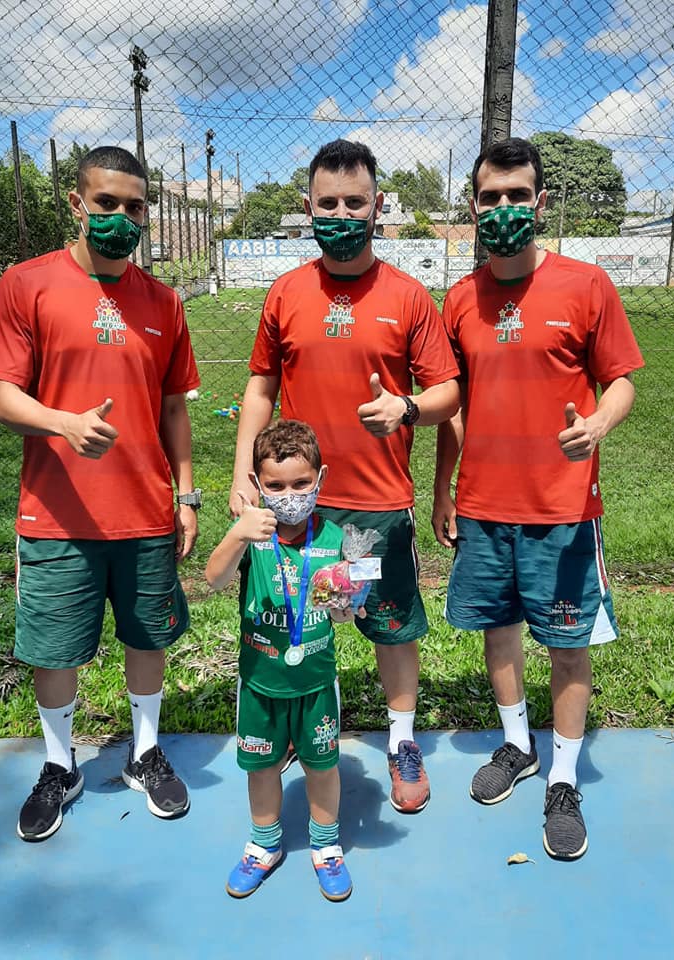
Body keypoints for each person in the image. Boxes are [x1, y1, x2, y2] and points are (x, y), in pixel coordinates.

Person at [0, 145, 201, 841]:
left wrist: (186, 496)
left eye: (134, 207)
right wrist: (62, 423)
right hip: (56, 516)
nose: (121, 217)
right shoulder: (27, 284)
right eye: (106, 203)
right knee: (54, 649)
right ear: (77, 203)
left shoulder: (164, 302)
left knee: (147, 635)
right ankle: (59, 762)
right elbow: (3, 397)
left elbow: (173, 408)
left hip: (144, 514)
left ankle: (145, 750)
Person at [229, 140, 460, 814]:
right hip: (297, 514)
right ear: (306, 209)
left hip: (377, 509)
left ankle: (400, 740)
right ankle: (296, 727)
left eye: (354, 203)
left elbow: (448, 393)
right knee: (288, 627)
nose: (341, 213)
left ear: (377, 206)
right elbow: (260, 386)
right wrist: (246, 470)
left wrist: (407, 407)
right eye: (327, 203)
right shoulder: (286, 292)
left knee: (393, 631)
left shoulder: (408, 297)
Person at [432, 137, 644, 860]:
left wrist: (599, 424)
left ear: (541, 203)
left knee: (566, 643)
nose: (504, 210)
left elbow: (621, 380)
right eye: (490, 198)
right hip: (485, 507)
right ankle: (517, 744)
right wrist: (444, 489)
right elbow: (452, 402)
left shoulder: (586, 286)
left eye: (518, 196)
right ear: (472, 206)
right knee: (499, 629)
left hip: (563, 510)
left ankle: (562, 779)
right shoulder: (459, 299)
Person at [207, 419, 357, 900]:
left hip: (315, 683)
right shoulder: (252, 534)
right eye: (275, 485)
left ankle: (327, 845)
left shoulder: (335, 536)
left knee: (322, 765)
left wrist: (346, 605)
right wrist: (237, 534)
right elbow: (213, 579)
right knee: (261, 768)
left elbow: (343, 613)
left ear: (321, 479)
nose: (289, 494)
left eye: (300, 483)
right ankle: (264, 844)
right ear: (257, 484)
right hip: (260, 683)